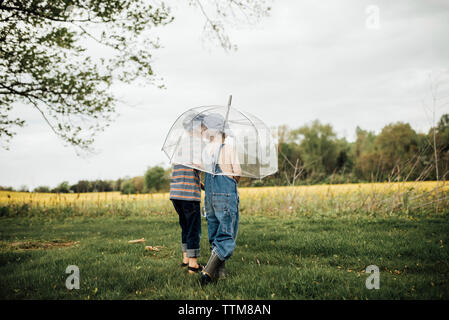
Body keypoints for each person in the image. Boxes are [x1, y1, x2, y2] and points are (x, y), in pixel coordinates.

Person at [200, 113, 242, 285]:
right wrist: (233, 180)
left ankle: (221, 272)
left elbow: (207, 174)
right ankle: (208, 272)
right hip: (225, 196)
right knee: (226, 233)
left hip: (209, 196)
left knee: (215, 232)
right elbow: (237, 172)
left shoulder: (206, 150)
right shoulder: (228, 149)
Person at [169, 113, 205, 274]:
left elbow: (184, 168)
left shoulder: (180, 144)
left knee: (185, 226)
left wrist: (199, 182)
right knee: (193, 228)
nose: (204, 130)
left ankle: (185, 258)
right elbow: (197, 165)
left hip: (176, 192)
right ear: (196, 127)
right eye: (203, 126)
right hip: (189, 194)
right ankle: (193, 265)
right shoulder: (197, 144)